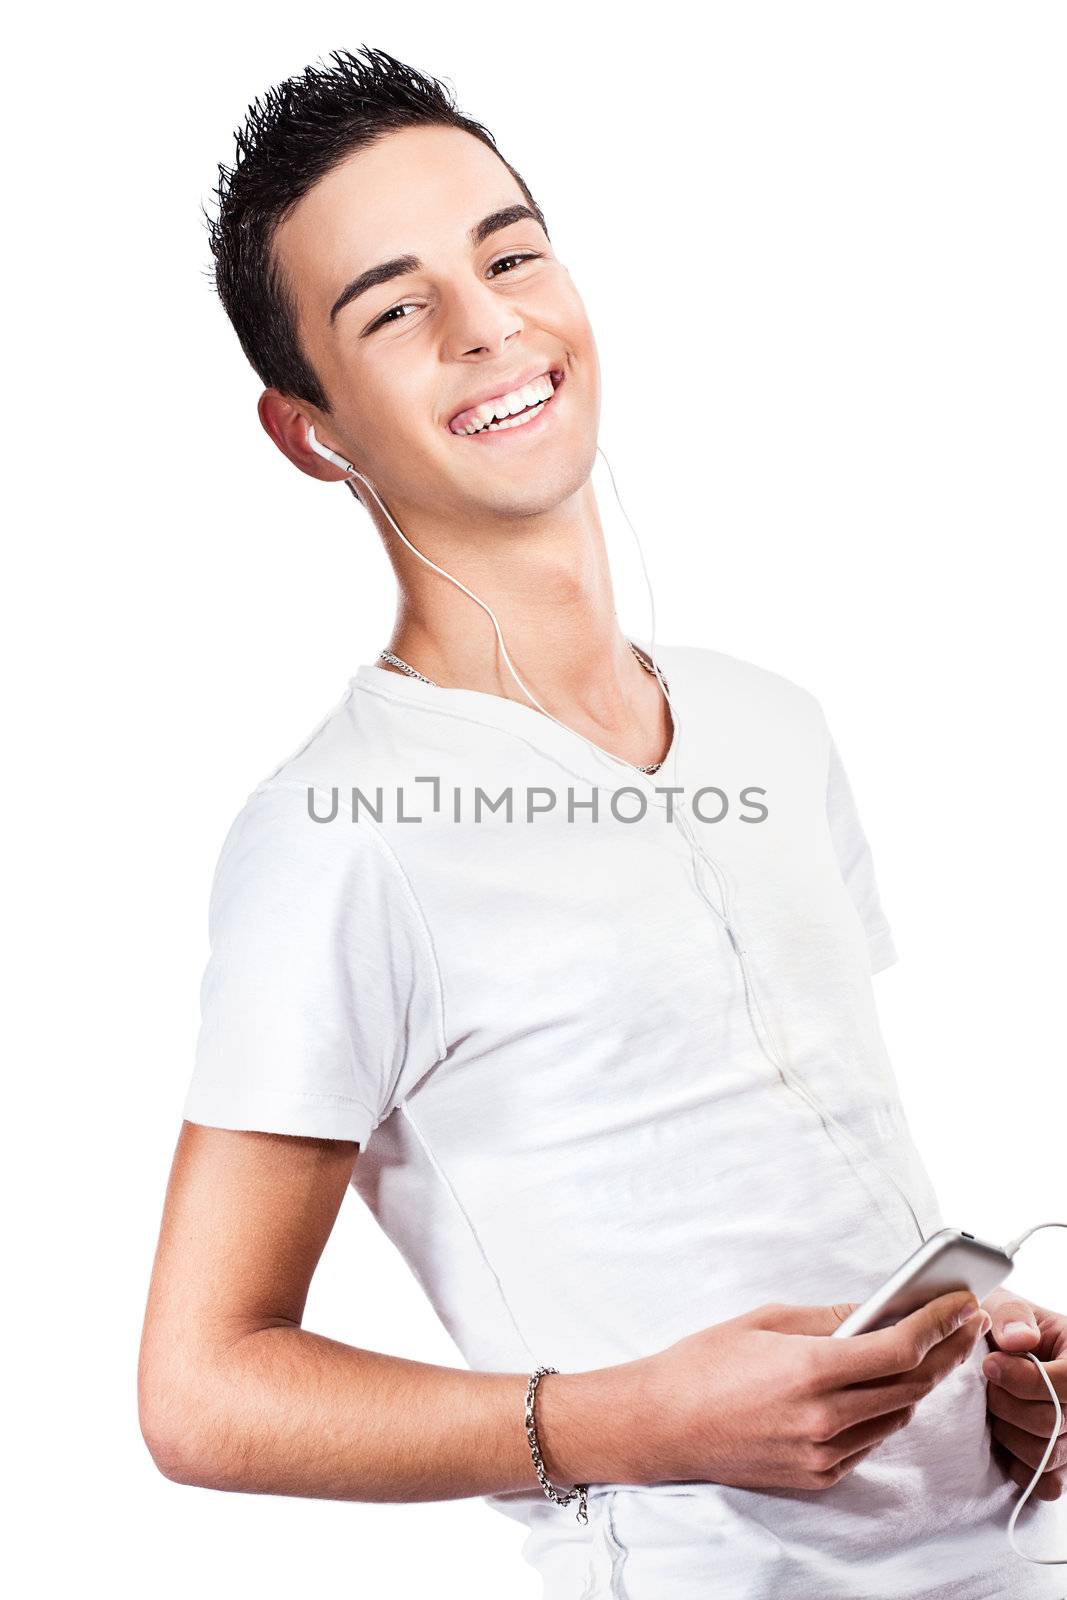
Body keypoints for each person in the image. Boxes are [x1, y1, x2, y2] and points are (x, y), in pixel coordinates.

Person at [137, 45, 1066, 1598]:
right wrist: (626, 1420)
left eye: (508, 254)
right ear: (312, 430)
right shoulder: (337, 837)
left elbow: (790, 1191)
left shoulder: (772, 724)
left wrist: (1004, 1390)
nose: (487, 320)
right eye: (394, 307)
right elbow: (199, 1391)